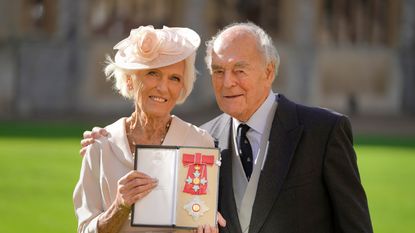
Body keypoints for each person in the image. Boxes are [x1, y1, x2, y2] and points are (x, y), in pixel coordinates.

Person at [81, 22, 373, 233]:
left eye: (240, 70)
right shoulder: (206, 139)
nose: (227, 82)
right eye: (218, 71)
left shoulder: (323, 131)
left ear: (269, 72)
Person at [73, 25, 225, 233]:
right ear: (129, 79)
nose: (163, 87)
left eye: (174, 78)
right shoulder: (100, 146)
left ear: (182, 86)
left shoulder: (199, 143)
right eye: (153, 73)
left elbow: (202, 217)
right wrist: (119, 206)